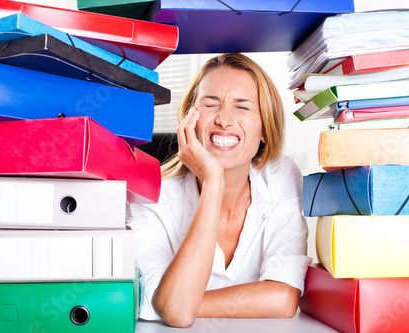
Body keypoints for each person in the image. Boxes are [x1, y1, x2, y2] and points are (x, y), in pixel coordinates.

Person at [128, 53, 312, 327]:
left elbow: (283, 298)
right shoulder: (149, 198)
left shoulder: (282, 177)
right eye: (210, 104)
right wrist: (213, 182)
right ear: (190, 121)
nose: (224, 120)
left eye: (243, 107)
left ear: (265, 128)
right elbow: (175, 313)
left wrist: (183, 301)